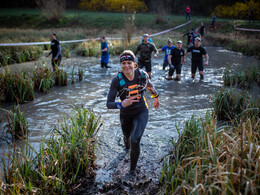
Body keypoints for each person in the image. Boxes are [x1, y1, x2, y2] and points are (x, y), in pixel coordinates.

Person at [107, 50, 159, 176]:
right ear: (121, 64)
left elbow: (150, 86)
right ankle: (127, 149)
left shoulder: (142, 75)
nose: (126, 66)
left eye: (129, 62)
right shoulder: (117, 80)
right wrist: (121, 104)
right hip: (125, 113)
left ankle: (132, 171)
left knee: (135, 140)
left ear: (134, 63)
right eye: (123, 63)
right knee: (127, 140)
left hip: (141, 111)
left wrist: (156, 97)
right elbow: (109, 104)